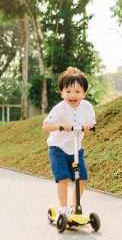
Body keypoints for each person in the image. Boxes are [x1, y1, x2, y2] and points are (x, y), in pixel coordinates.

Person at [41, 67, 96, 217]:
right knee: (63, 179)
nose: (73, 95)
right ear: (62, 92)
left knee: (81, 179)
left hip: (76, 149)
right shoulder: (59, 109)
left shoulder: (87, 107)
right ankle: (64, 208)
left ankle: (74, 207)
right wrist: (60, 126)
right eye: (68, 91)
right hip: (58, 149)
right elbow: (45, 126)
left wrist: (88, 127)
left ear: (84, 93)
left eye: (77, 92)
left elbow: (92, 123)